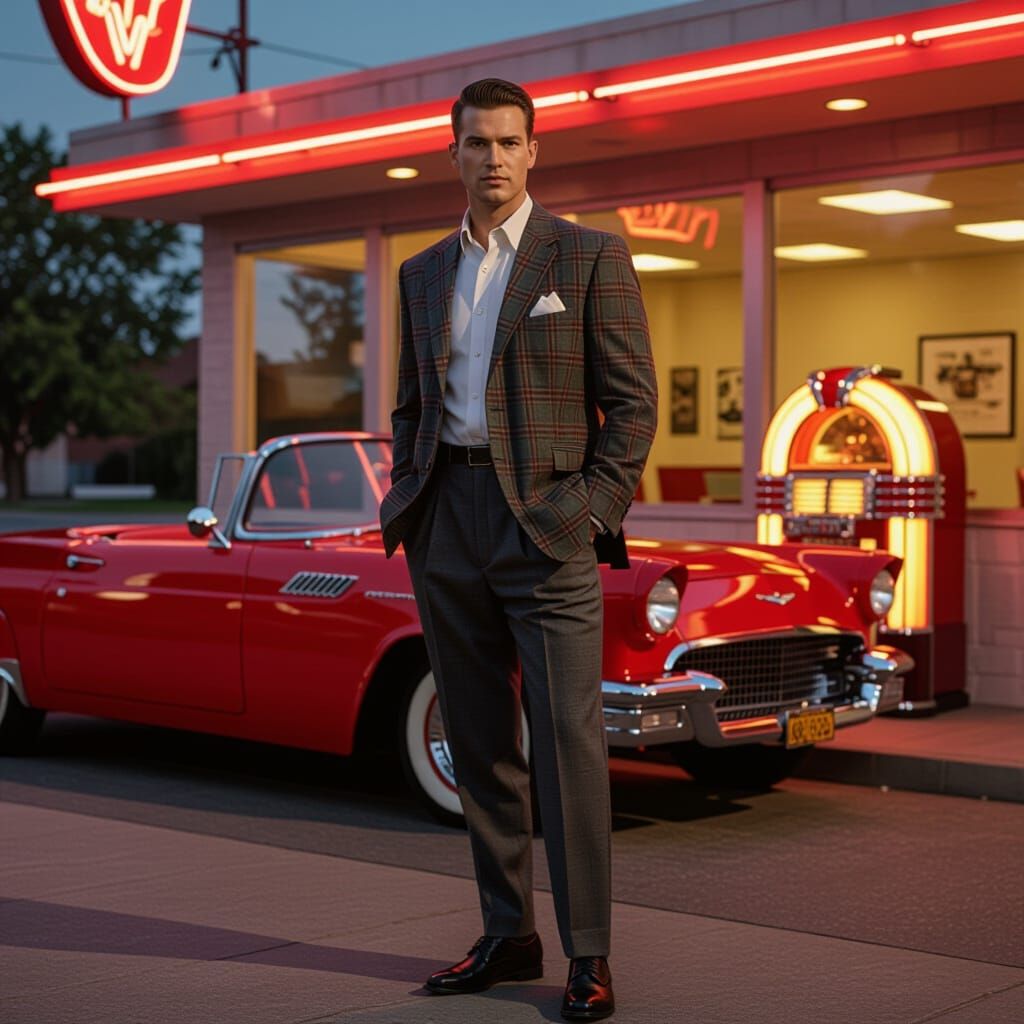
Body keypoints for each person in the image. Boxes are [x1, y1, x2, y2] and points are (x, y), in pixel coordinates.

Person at [379, 77, 657, 1021]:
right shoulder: (421, 273)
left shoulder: (585, 258)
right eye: (475, 143)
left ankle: (587, 952)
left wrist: (588, 509)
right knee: (476, 738)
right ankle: (508, 932)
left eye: (508, 143)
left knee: (570, 742)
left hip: (547, 524)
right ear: (451, 152)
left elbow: (633, 407)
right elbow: (412, 400)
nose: (492, 159)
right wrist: (407, 495)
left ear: (534, 151)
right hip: (445, 518)